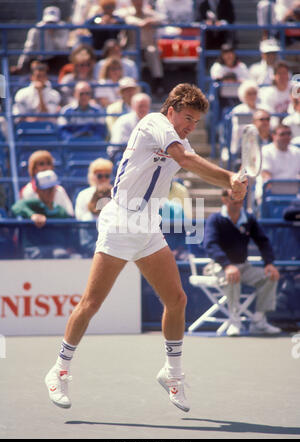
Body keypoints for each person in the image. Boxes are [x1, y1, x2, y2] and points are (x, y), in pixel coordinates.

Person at [44, 83, 247, 412]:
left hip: (149, 227)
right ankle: (59, 369)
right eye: (187, 118)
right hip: (121, 221)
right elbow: (187, 159)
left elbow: (191, 160)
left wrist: (232, 185)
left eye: (196, 122)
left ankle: (172, 373)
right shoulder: (154, 122)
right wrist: (229, 179)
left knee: (177, 300)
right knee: (91, 303)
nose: (191, 127)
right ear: (171, 111)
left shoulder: (180, 139)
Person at [203, 188, 281, 337]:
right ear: (224, 199)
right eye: (234, 197)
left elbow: (263, 241)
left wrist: (269, 263)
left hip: (244, 266)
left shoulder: (249, 219)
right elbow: (210, 244)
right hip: (219, 267)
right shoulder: (215, 219)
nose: (239, 201)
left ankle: (258, 321)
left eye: (241, 198)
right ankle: (234, 320)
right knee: (233, 275)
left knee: (270, 276)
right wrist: (227, 265)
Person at [11, 170, 73, 259]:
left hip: (58, 250)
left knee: (61, 254)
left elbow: (68, 229)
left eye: (52, 189)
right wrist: (32, 215)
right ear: (38, 190)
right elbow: (16, 207)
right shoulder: (31, 204)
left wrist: (69, 246)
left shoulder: (60, 210)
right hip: (34, 250)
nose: (49, 193)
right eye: (45, 190)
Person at [117, 0, 165, 94]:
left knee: (153, 51)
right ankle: (131, 83)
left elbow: (162, 19)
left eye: (140, 1)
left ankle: (158, 82)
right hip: (133, 45)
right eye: (135, 1)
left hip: (148, 45)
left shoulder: (149, 13)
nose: (138, 2)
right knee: (130, 55)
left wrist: (151, 21)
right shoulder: (127, 12)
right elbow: (127, 19)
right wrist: (142, 23)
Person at [12, 6, 69, 75]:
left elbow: (62, 47)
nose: (50, 24)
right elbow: (28, 49)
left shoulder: (63, 28)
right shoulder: (35, 30)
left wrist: (53, 36)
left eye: (53, 22)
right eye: (48, 22)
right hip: (39, 58)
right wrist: (20, 65)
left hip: (55, 59)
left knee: (64, 59)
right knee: (29, 63)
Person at [19, 150, 74, 216]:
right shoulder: (27, 190)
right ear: (33, 168)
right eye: (41, 164)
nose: (46, 167)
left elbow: (69, 213)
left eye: (48, 163)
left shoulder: (60, 190)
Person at [255, 123, 300, 202]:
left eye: (288, 134)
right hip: (269, 197)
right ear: (273, 136)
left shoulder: (297, 152)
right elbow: (267, 179)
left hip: (293, 196)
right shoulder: (265, 151)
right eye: (282, 134)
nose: (286, 137)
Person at [108, 92, 151, 159]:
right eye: (140, 106)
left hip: (142, 153)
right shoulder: (123, 120)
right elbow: (121, 144)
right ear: (133, 106)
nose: (143, 109)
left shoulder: (152, 120)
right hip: (120, 153)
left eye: (146, 106)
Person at [229, 80, 259, 157]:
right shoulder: (238, 110)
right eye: (249, 93)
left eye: (254, 93)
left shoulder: (263, 108)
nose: (252, 96)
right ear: (243, 95)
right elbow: (239, 130)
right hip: (243, 145)